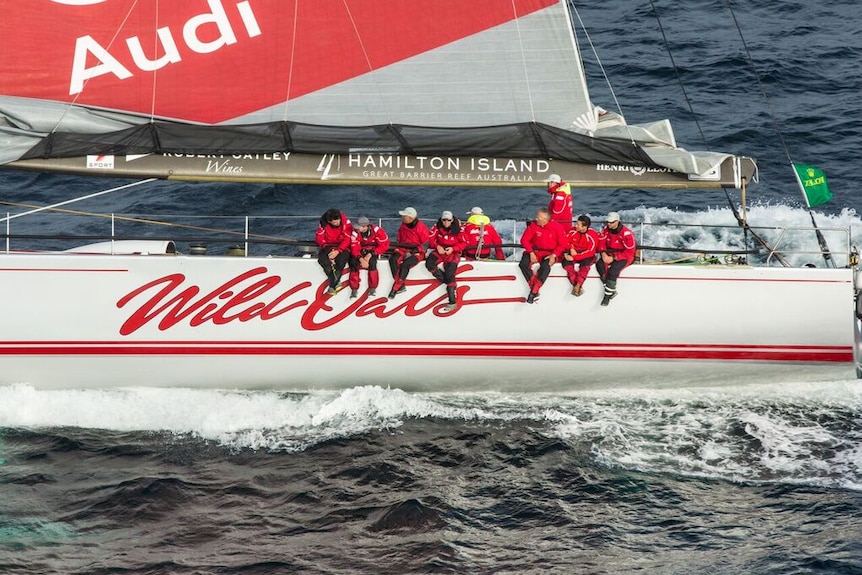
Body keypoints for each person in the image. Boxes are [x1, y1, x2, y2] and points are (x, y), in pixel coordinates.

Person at [518, 207, 566, 304]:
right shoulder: (533, 226)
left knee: (545, 267)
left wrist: (554, 255)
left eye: (538, 217)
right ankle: (533, 287)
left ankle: (534, 290)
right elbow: (524, 240)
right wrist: (531, 252)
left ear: (545, 219)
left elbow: (563, 244)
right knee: (523, 264)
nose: (536, 219)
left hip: (549, 253)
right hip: (535, 251)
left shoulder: (557, 227)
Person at [426, 210, 467, 311]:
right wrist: (437, 246)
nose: (446, 222)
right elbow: (430, 238)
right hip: (440, 250)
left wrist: (454, 249)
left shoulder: (459, 229)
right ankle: (445, 281)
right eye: (444, 220)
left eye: (448, 220)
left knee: (450, 273)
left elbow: (465, 243)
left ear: (452, 220)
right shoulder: (437, 227)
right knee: (429, 264)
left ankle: (452, 301)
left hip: (453, 253)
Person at [596, 211, 637, 306]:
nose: (608, 224)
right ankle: (611, 290)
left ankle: (607, 296)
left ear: (617, 221)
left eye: (611, 222)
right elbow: (601, 242)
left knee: (613, 270)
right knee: (599, 265)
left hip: (625, 255)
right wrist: (603, 253)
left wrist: (614, 258)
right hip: (610, 253)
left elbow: (630, 252)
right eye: (608, 222)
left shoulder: (627, 234)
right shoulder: (606, 230)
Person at [388, 207, 430, 299]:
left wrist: (417, 250)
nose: (402, 217)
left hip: (417, 252)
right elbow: (399, 238)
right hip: (403, 248)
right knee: (393, 260)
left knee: (405, 265)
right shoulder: (403, 225)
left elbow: (426, 243)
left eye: (404, 216)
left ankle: (395, 288)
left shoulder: (421, 227)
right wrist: (398, 248)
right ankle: (400, 285)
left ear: (410, 218)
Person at [348, 216, 390, 298]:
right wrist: (361, 259)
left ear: (365, 227)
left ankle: (372, 288)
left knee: (373, 263)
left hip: (373, 251)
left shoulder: (378, 231)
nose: (357, 228)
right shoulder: (355, 233)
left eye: (359, 227)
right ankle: (354, 289)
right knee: (353, 263)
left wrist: (371, 254)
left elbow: (384, 245)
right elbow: (354, 248)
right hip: (360, 251)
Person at [314, 208, 352, 296]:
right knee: (322, 260)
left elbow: (347, 239)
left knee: (341, 261)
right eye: (334, 222)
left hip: (342, 246)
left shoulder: (346, 223)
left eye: (338, 221)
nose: (337, 223)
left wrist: (338, 250)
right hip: (328, 245)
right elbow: (319, 237)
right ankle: (336, 282)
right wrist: (325, 246)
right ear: (329, 221)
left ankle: (332, 285)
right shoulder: (323, 224)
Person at [561, 214, 600, 297]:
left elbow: (590, 252)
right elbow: (565, 241)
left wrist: (575, 257)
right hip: (574, 252)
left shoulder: (592, 235)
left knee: (585, 266)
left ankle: (578, 285)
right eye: (576, 224)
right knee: (566, 264)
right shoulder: (572, 231)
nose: (576, 226)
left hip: (586, 255)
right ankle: (576, 285)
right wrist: (571, 248)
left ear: (584, 227)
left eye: (578, 225)